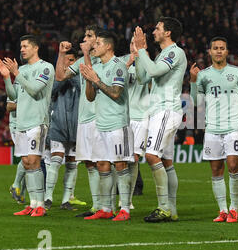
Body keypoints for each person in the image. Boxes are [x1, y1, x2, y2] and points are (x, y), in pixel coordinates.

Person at [133, 17, 187, 222]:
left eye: (157, 28)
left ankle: (163, 206)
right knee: (166, 161)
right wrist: (140, 55)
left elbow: (154, 72)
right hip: (160, 111)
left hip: (165, 111)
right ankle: (171, 210)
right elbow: (142, 78)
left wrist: (140, 50)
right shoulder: (162, 55)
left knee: (152, 156)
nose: (153, 31)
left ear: (168, 33)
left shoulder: (175, 52)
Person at [0, 34, 55, 217]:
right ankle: (33, 204)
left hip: (37, 121)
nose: (21, 49)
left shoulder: (45, 68)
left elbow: (35, 90)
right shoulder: (20, 69)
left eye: (25, 46)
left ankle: (41, 206)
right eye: (21, 46)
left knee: (35, 161)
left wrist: (16, 74)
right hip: (21, 122)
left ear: (35, 48)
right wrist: (7, 78)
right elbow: (14, 96)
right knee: (26, 163)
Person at [79, 30, 134, 221]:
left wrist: (96, 80)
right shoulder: (97, 68)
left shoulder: (118, 66)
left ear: (108, 46)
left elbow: (116, 93)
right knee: (102, 164)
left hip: (118, 124)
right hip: (100, 124)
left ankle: (125, 209)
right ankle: (105, 208)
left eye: (98, 43)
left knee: (120, 164)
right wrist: (89, 80)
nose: (94, 46)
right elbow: (90, 97)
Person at [189, 36, 238, 223]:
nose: (219, 51)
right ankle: (222, 210)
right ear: (210, 52)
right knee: (216, 170)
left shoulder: (237, 73)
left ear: (227, 52)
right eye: (215, 48)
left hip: (233, 127)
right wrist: (193, 81)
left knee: (233, 165)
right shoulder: (203, 75)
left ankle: (234, 208)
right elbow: (197, 102)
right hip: (212, 128)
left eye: (222, 48)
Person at [55, 25, 102, 217]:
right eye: (85, 34)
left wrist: (86, 55)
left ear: (99, 40)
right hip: (84, 118)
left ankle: (113, 205)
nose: (84, 37)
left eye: (89, 35)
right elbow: (60, 76)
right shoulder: (82, 60)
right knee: (90, 163)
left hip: (101, 118)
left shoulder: (106, 61)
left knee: (104, 162)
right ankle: (97, 206)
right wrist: (60, 54)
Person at [44, 48, 85, 211]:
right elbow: (51, 92)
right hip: (59, 124)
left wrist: (72, 76)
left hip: (76, 126)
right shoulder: (56, 79)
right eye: (65, 60)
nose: (68, 64)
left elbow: (85, 92)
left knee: (72, 164)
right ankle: (47, 197)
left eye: (71, 61)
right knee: (55, 161)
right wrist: (62, 77)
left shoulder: (81, 78)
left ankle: (66, 200)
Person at [119, 37, 150, 208]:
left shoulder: (148, 62)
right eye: (132, 43)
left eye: (137, 44)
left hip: (142, 116)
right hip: (123, 116)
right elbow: (113, 80)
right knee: (120, 159)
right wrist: (129, 62)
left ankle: (128, 200)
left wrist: (140, 58)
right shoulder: (121, 61)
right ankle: (120, 196)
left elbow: (144, 80)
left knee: (134, 158)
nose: (134, 47)